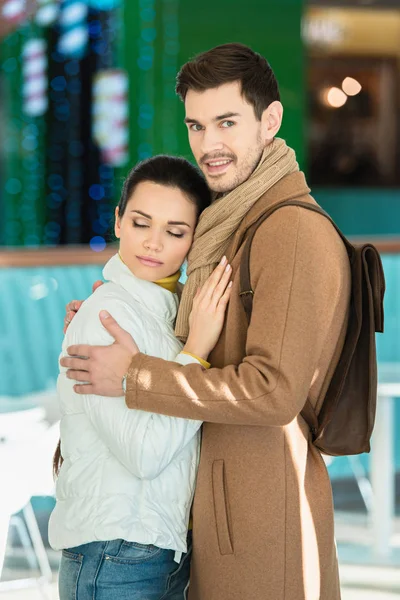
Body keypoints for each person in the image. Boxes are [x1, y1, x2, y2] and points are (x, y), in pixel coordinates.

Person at [61, 44, 351, 600]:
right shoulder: (235, 223)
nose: (208, 146)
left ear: (270, 121)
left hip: (263, 513)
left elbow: (275, 392)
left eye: (226, 123)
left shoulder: (287, 231)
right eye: (197, 125)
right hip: (210, 513)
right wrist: (110, 318)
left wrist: (138, 374)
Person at [50, 155, 233, 600]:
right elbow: (146, 455)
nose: (153, 244)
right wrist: (195, 354)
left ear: (194, 241)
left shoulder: (169, 312)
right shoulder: (105, 316)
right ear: (116, 222)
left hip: (158, 549)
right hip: (114, 552)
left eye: (174, 232)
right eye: (140, 223)